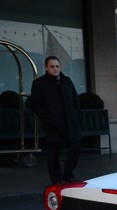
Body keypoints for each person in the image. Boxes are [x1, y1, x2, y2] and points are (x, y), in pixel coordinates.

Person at [30, 56, 81, 184]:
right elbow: (35, 104)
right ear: (46, 68)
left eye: (57, 66)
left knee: (76, 146)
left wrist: (75, 114)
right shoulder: (39, 83)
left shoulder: (67, 81)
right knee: (54, 153)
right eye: (52, 66)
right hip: (53, 124)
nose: (55, 69)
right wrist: (48, 118)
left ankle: (68, 174)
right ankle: (56, 178)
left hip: (70, 122)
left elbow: (75, 99)